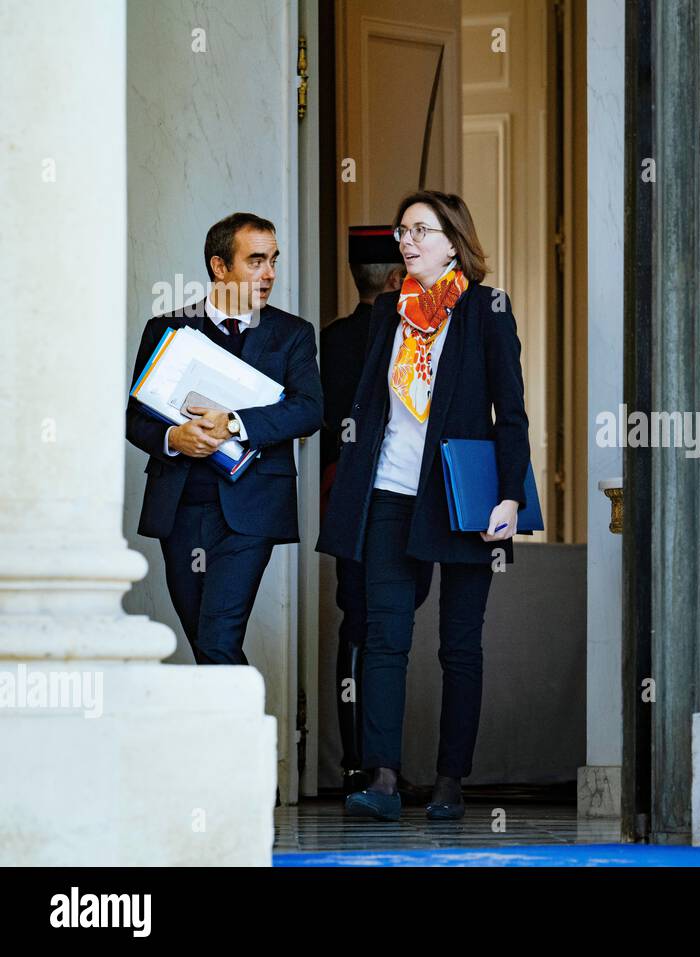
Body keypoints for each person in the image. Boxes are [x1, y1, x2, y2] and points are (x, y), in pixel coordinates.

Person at [317, 190, 531, 822]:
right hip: (388, 491)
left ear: (452, 240)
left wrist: (511, 494)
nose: (405, 242)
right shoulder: (388, 312)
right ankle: (382, 775)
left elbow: (511, 413)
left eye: (418, 231)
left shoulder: (487, 309)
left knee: (459, 643)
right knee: (384, 634)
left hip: (461, 495)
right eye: (402, 232)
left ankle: (449, 778)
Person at [127, 212, 323, 671]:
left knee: (218, 635)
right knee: (203, 638)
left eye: (273, 260)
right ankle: (244, 735)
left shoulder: (293, 333)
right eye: (256, 261)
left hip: (250, 510)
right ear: (219, 266)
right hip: (180, 510)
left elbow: (310, 410)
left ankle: (246, 741)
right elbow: (134, 418)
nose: (270, 273)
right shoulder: (167, 328)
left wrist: (235, 422)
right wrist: (174, 437)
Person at [320, 225, 426, 800]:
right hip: (375, 497)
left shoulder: (332, 339)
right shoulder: (400, 333)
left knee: (357, 622)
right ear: (392, 279)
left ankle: (360, 763)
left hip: (343, 499)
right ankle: (369, 764)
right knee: (379, 625)